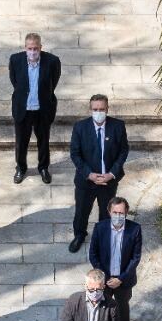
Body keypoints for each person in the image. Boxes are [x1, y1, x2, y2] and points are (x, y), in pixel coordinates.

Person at [68, 94, 129, 253]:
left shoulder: (118, 126)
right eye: (95, 109)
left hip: (108, 181)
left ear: (107, 109)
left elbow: (123, 151)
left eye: (102, 109)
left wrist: (112, 173)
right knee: (81, 211)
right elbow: (75, 154)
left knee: (106, 212)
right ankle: (79, 235)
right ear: (90, 109)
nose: (98, 112)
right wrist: (89, 174)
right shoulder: (80, 127)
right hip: (86, 181)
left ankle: (103, 238)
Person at [87, 197, 142, 321]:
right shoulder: (100, 228)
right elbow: (93, 254)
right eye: (115, 212)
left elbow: (135, 257)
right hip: (104, 280)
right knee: (103, 306)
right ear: (109, 212)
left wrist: (121, 279)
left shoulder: (135, 229)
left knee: (123, 307)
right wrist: (104, 277)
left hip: (124, 280)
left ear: (126, 212)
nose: (118, 215)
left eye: (121, 213)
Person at [8, 32, 60, 184]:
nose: (32, 52)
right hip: (23, 108)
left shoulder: (52, 61)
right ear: (25, 48)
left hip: (42, 109)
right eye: (30, 48)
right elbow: (15, 81)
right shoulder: (15, 60)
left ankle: (43, 168)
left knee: (43, 141)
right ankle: (21, 168)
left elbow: (53, 82)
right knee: (21, 142)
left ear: (40, 47)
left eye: (35, 48)